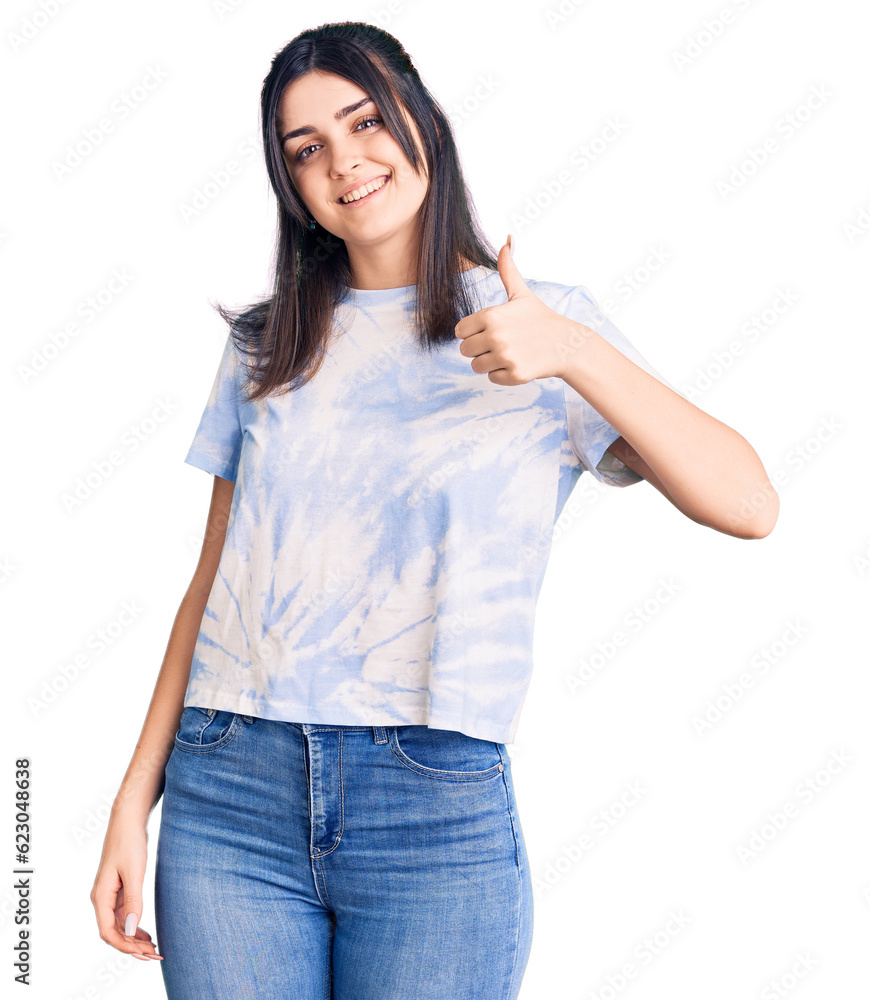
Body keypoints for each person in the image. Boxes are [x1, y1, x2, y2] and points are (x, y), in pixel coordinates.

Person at [89, 20, 779, 1000]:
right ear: (290, 184)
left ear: (423, 119)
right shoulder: (266, 346)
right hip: (228, 791)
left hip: (432, 800)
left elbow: (751, 503)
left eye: (365, 120)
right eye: (306, 149)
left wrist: (575, 353)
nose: (344, 162)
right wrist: (132, 797)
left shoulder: (539, 323)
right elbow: (212, 582)